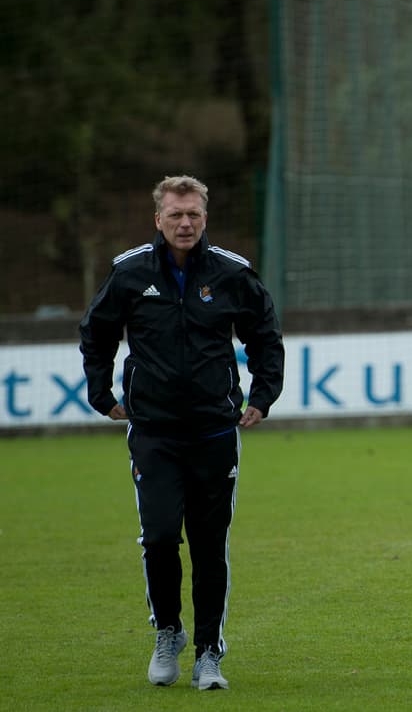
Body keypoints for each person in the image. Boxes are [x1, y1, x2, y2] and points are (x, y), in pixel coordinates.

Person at [79, 175, 284, 691]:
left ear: (205, 216)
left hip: (215, 430)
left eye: (193, 214)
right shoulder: (129, 273)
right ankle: (167, 633)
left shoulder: (232, 273)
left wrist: (262, 395)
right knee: (162, 536)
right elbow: (96, 332)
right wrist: (101, 394)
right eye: (175, 215)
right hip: (153, 431)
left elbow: (266, 334)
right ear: (158, 220)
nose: (185, 223)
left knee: (210, 544)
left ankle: (209, 652)